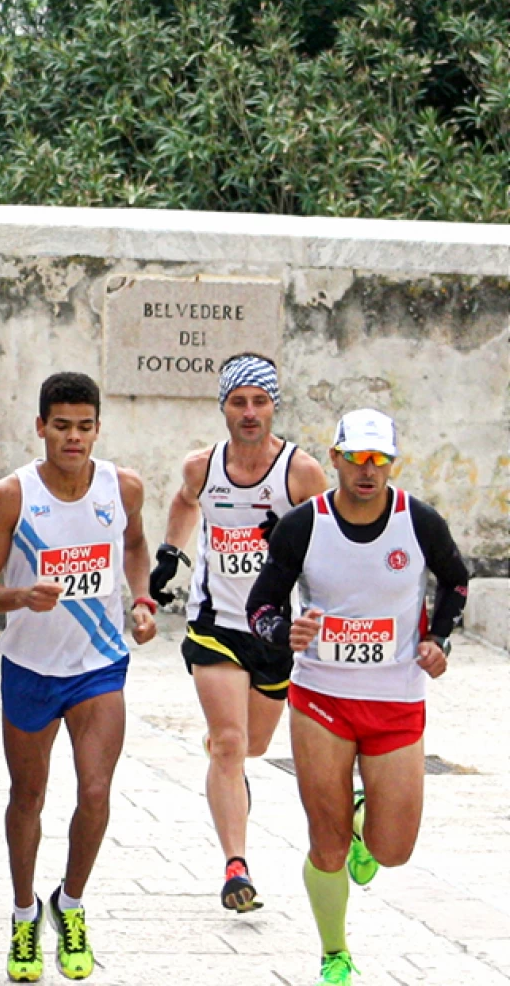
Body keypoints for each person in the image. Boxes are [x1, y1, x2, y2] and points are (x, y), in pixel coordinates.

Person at [244, 409, 467, 986]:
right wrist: (283, 632)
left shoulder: (418, 521)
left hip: (396, 700)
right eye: (357, 458)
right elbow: (262, 605)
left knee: (392, 852)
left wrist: (438, 640)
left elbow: (456, 581)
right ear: (336, 457)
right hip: (322, 698)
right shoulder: (303, 524)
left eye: (379, 460)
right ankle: (334, 953)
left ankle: (367, 818)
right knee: (327, 843)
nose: (367, 471)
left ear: (393, 463)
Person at [0, 371, 155, 984]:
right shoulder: (11, 495)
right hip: (30, 667)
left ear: (98, 428)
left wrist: (144, 598)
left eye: (85, 426)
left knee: (96, 792)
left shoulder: (122, 486)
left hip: (99, 664)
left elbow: (134, 547)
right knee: (29, 796)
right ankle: (24, 916)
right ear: (41, 427)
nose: (74, 438)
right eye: (62, 426)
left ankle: (69, 905)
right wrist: (21, 596)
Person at [152, 354, 328, 913]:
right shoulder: (203, 467)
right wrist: (170, 554)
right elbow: (186, 502)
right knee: (229, 743)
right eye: (238, 402)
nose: (250, 413)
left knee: (253, 745)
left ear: (274, 405)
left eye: (260, 401)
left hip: (275, 631)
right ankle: (235, 866)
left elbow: (329, 546)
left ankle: (226, 765)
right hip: (215, 623)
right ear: (223, 407)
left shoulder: (300, 473)